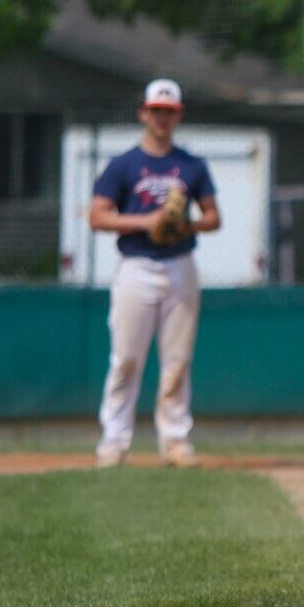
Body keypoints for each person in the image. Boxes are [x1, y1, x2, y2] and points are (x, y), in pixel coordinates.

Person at [89, 79, 221, 468]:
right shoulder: (123, 164)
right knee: (126, 359)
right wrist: (146, 221)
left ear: (178, 115)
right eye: (156, 110)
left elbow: (213, 217)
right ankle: (113, 442)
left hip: (180, 264)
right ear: (143, 113)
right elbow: (97, 216)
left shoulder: (192, 165)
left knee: (177, 360)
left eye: (169, 111)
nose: (162, 117)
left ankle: (175, 442)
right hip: (136, 266)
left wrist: (186, 226)